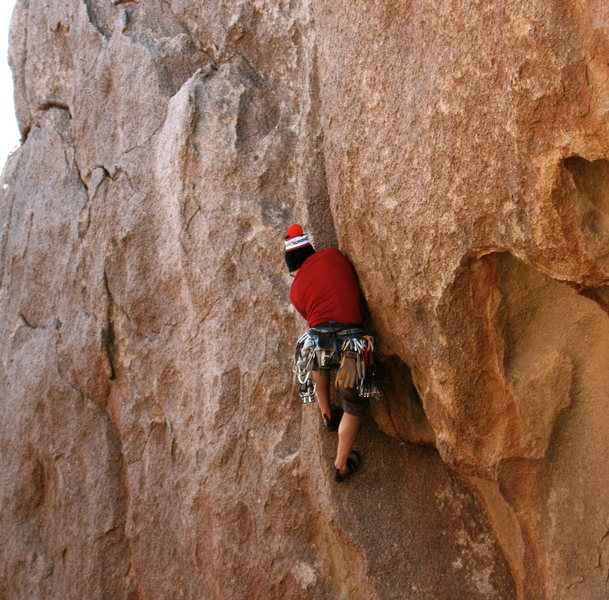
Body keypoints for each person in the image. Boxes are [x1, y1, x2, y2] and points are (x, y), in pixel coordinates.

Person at [284, 224, 368, 482]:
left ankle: (327, 413)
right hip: (352, 340)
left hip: (320, 337)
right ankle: (341, 464)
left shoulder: (296, 290)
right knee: (354, 404)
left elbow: (312, 318)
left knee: (317, 359)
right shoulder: (332, 254)